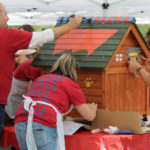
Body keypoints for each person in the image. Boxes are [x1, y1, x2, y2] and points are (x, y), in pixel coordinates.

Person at [0, 2, 82, 138]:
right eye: (5, 14)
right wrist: (69, 26)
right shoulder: (6, 35)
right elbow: (43, 36)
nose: (8, 18)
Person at [15, 54, 97, 150]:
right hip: (43, 121)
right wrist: (93, 109)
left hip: (21, 119)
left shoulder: (40, 78)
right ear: (75, 71)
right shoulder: (70, 84)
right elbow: (89, 116)